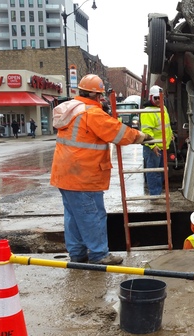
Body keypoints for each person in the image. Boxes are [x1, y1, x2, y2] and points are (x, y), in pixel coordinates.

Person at [50, 74, 152, 265]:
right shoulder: (91, 113)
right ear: (97, 95)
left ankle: (77, 254)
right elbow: (119, 133)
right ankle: (99, 255)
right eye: (101, 96)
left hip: (65, 174)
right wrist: (141, 136)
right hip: (83, 175)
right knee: (92, 216)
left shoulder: (71, 109)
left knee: (73, 217)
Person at [140, 85, 173, 196]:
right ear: (150, 97)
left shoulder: (163, 109)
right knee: (153, 172)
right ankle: (155, 194)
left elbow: (166, 126)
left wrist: (171, 134)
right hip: (153, 148)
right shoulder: (148, 112)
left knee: (160, 171)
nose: (158, 100)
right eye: (156, 98)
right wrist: (152, 145)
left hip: (162, 146)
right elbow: (146, 131)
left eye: (160, 98)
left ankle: (157, 192)